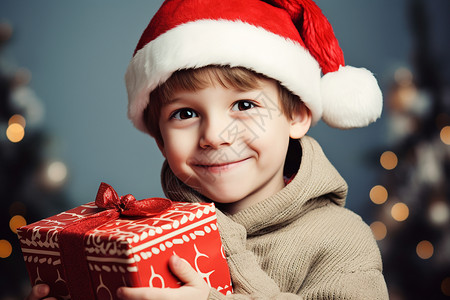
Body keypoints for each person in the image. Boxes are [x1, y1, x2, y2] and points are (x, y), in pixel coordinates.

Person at [28, 0, 389, 299]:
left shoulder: (343, 241)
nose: (215, 136)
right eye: (185, 114)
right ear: (160, 139)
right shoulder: (153, 236)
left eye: (245, 105)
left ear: (297, 114)